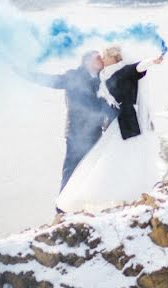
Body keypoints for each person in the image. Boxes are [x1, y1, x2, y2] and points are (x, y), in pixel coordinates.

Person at [55, 45, 164, 213]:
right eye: (99, 57)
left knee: (115, 159)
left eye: (104, 56)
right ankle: (69, 205)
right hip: (95, 129)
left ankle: (127, 193)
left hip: (122, 124)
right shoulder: (99, 76)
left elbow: (136, 68)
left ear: (114, 59)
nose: (102, 59)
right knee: (92, 163)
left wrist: (152, 61)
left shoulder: (120, 71)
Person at [30, 50, 118, 198]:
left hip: (96, 134)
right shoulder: (73, 76)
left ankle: (82, 204)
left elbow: (108, 106)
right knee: (71, 170)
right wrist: (23, 72)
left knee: (91, 171)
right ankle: (62, 209)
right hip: (76, 133)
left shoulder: (103, 80)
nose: (101, 60)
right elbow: (50, 80)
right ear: (87, 61)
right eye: (97, 57)